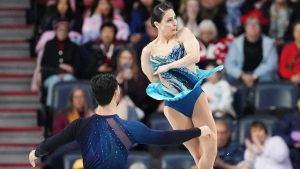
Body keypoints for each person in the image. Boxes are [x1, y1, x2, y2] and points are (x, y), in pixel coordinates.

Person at [29, 74, 212, 169]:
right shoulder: (130, 127)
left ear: (94, 96)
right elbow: (166, 137)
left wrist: (37, 152)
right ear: (117, 93)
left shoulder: (80, 125)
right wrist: (199, 131)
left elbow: (55, 141)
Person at [141, 2, 223, 169]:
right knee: (197, 154)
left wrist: (169, 66)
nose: (174, 23)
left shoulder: (184, 34)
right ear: (157, 24)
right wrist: (169, 81)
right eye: (169, 20)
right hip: (173, 106)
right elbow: (153, 79)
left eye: (174, 18)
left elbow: (195, 56)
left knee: (211, 144)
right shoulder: (148, 51)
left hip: (194, 95)